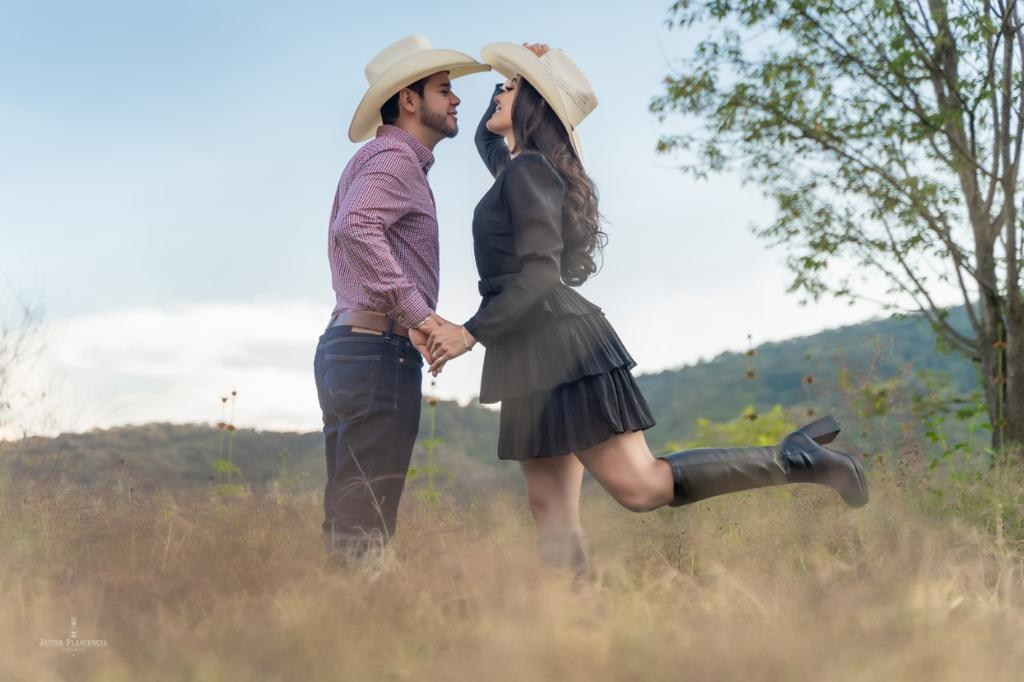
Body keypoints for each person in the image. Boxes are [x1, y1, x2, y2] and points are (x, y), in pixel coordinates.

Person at [425, 42, 868, 577]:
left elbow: (540, 274)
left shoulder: (528, 172)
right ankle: (574, 630)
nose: (499, 92)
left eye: (511, 87)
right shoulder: (515, 167)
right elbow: (484, 133)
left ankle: (796, 458)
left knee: (640, 487)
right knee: (550, 511)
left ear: (534, 105)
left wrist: (469, 333)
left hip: (560, 346)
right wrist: (520, 69)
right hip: (526, 351)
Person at [314, 35, 489, 566]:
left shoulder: (380, 158)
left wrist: (406, 319)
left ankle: (339, 627)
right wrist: (420, 314)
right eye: (444, 89)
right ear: (409, 100)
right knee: (367, 516)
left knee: (351, 510)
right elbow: (357, 227)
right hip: (375, 355)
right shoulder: (395, 157)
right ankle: (364, 633)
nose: (456, 100)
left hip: (352, 345)